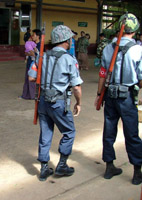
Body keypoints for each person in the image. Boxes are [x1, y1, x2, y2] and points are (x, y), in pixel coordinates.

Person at [28, 25, 83, 181]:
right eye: (70, 38)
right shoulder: (69, 59)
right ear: (66, 41)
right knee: (69, 132)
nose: (72, 41)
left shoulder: (42, 57)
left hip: (43, 102)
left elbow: (32, 77)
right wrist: (78, 103)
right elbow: (77, 87)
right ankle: (62, 165)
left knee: (45, 133)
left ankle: (44, 168)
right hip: (59, 103)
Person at [94, 13, 142, 185]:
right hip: (126, 97)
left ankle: (109, 167)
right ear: (135, 30)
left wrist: (99, 95)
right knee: (131, 133)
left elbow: (102, 74)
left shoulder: (108, 48)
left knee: (109, 131)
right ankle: (137, 172)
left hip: (110, 96)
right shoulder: (138, 49)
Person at [19, 29, 41, 100]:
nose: (32, 36)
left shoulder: (40, 45)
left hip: (34, 64)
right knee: (26, 79)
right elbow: (27, 52)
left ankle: (33, 96)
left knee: (32, 80)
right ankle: (25, 95)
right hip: (29, 62)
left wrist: (31, 53)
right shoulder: (31, 43)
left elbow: (36, 55)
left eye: (34, 35)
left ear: (38, 36)